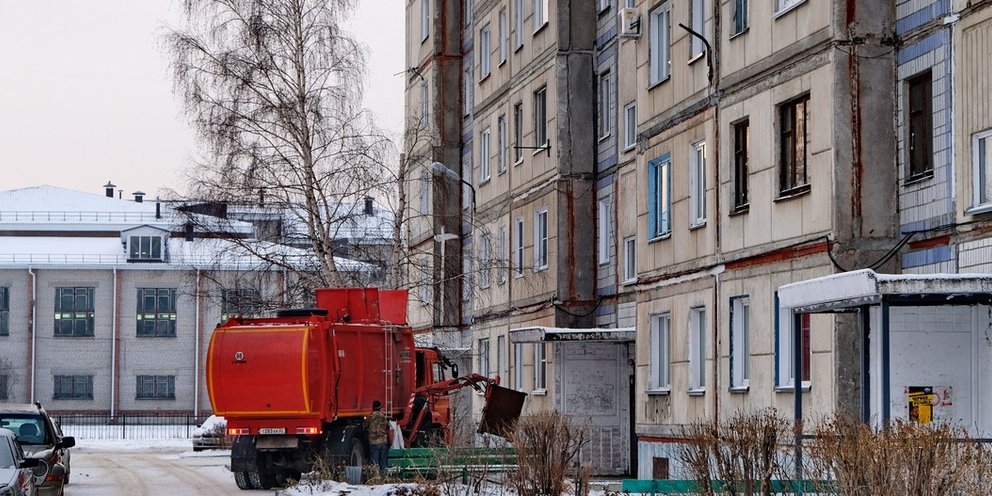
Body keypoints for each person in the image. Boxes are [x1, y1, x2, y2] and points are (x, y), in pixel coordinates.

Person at [363, 400, 389, 478]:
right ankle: (384, 477)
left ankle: (375, 478)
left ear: (373, 407)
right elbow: (387, 426)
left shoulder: (370, 416)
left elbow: (365, 426)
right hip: (383, 441)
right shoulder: (383, 416)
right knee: (383, 462)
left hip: (374, 442)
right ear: (380, 407)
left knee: (374, 462)